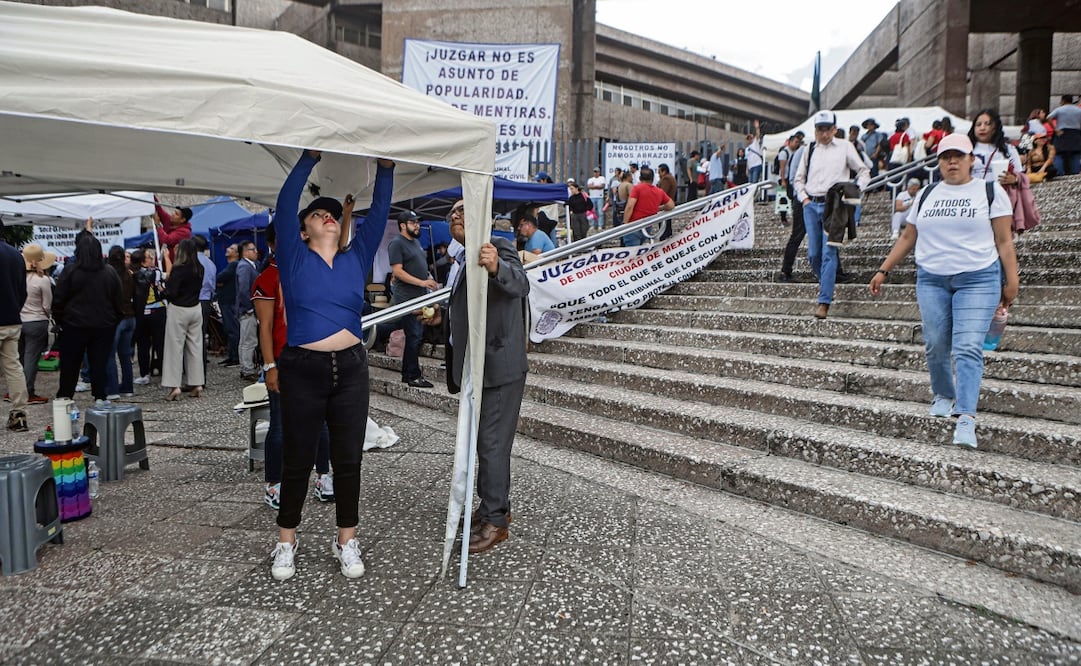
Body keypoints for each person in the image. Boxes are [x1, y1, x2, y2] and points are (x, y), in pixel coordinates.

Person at [269, 150, 395, 582]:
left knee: (347, 460)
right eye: (317, 214)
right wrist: (307, 160)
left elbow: (378, 214)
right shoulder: (294, 256)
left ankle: (347, 540)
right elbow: (286, 204)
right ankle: (286, 541)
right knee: (297, 458)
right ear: (303, 230)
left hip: (351, 368)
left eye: (331, 213)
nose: (326, 216)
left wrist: (386, 169)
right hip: (302, 367)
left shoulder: (354, 258)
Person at [869, 133, 1018, 448]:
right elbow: (908, 237)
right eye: (946, 156)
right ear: (938, 162)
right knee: (936, 342)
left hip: (978, 279)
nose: (952, 161)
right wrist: (884, 269)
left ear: (971, 160)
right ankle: (943, 393)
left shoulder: (990, 192)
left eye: (958, 156)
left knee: (966, 347)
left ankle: (966, 418)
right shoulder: (926, 193)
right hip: (932, 279)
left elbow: (1004, 241)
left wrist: (1012, 279)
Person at [444, 198, 529, 554]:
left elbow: (519, 284)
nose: (456, 216)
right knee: (484, 443)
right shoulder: (463, 258)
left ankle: (496, 521)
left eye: (464, 209)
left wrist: (497, 268)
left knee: (492, 446)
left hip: (498, 365)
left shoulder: (499, 246)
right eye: (452, 213)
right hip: (478, 365)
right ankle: (493, 506)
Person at [252, 222, 334, 510]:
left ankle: (324, 477)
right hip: (283, 361)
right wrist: (270, 365)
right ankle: (274, 484)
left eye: (299, 234)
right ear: (273, 244)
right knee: (281, 425)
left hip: (315, 357)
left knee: (322, 422)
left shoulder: (310, 272)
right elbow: (265, 328)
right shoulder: (268, 277)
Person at [794, 110, 870, 319]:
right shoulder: (809, 148)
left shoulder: (845, 146)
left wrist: (854, 191)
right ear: (816, 130)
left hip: (835, 205)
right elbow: (798, 178)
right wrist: (804, 199)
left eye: (827, 129)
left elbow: (863, 171)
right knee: (813, 254)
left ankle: (824, 301)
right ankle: (825, 284)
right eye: (820, 129)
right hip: (812, 203)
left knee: (829, 253)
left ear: (834, 129)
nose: (824, 133)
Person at [52, 230, 123, 402]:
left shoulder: (70, 272)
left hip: (73, 324)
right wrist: (114, 320)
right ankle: (100, 395)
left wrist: (60, 320)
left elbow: (59, 299)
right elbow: (119, 302)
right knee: (99, 362)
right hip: (103, 325)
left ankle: (65, 396)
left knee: (70, 364)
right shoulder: (110, 273)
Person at [384, 210, 436, 389]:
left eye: (417, 222)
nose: (417, 225)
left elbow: (418, 266)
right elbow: (397, 271)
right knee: (413, 335)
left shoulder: (416, 243)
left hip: (419, 296)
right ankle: (413, 375)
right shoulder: (397, 243)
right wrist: (422, 281)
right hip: (407, 298)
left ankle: (408, 374)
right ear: (402, 225)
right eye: (413, 222)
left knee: (414, 335)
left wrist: (428, 279)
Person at [160, 238, 204, 401]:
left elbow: (171, 292)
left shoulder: (179, 269)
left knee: (174, 348)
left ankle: (174, 385)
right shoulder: (200, 268)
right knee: (195, 347)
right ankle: (197, 383)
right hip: (195, 308)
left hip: (179, 309)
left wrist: (162, 289)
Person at [0, 221, 29, 432]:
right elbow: (23, 290)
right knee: (14, 367)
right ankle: (19, 414)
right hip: (11, 318)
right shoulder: (16, 255)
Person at [19, 244, 54, 406]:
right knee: (31, 358)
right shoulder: (43, 280)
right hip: (37, 320)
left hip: (19, 320)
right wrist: (48, 317)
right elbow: (47, 305)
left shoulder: (18, 277)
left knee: (19, 358)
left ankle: (15, 389)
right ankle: (28, 390)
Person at [103, 245, 136, 400]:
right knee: (125, 355)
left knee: (110, 355)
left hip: (116, 318)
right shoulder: (129, 275)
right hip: (131, 317)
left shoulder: (108, 275)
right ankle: (128, 387)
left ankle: (113, 389)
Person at [132, 248, 166, 385]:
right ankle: (165, 373)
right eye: (148, 257)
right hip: (158, 311)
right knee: (160, 344)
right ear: (142, 260)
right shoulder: (156, 272)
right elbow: (161, 286)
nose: (151, 258)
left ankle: (144, 374)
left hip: (142, 313)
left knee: (143, 345)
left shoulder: (133, 274)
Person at [968, 109, 1023, 187]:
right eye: (978, 124)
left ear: (995, 127)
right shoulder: (966, 149)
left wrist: (1014, 179)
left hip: (1000, 195)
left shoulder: (1008, 150)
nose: (982, 128)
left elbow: (1021, 175)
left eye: (987, 124)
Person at [623, 165, 675, 247]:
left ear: (640, 178)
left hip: (633, 226)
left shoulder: (637, 189)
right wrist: (659, 208)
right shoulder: (659, 191)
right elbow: (671, 205)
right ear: (652, 179)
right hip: (647, 226)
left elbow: (630, 206)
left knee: (632, 254)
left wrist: (625, 224)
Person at [778, 132, 806, 282]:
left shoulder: (799, 151)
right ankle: (785, 271)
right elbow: (792, 174)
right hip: (802, 197)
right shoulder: (802, 151)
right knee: (797, 235)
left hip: (802, 196)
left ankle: (785, 270)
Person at [235, 240, 260, 380]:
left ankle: (246, 367)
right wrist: (249, 308)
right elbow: (244, 289)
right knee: (248, 340)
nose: (256, 252)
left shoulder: (252, 265)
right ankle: (247, 368)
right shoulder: (244, 267)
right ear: (245, 252)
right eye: (252, 249)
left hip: (249, 309)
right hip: (247, 310)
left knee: (247, 339)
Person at [193, 235, 217, 370]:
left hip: (194, 301)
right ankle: (201, 367)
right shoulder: (210, 263)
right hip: (206, 301)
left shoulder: (192, 261)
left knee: (192, 337)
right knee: (200, 336)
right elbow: (213, 286)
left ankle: (194, 369)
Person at [216, 244, 240, 367]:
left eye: (231, 249)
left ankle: (235, 357)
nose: (227, 249)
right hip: (227, 301)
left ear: (236, 253)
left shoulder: (233, 265)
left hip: (229, 302)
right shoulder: (230, 266)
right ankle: (231, 355)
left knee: (232, 330)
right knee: (229, 329)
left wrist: (219, 282)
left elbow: (219, 278)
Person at [1048, 95, 1081, 176]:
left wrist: (1055, 129)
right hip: (1075, 133)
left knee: (1059, 153)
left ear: (1063, 100)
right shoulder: (1078, 110)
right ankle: (1075, 173)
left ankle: (1059, 172)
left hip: (1062, 133)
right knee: (1075, 153)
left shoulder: (1059, 109)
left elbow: (1049, 118)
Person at [656, 163, 678, 240]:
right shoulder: (671, 177)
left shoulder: (666, 179)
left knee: (664, 230)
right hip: (669, 204)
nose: (658, 174)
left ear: (664, 171)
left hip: (665, 206)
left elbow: (662, 193)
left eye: (659, 172)